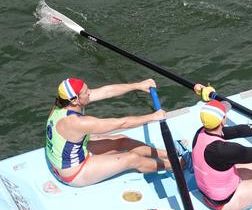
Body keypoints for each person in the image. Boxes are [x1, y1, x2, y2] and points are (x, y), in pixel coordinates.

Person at [45, 77, 173, 187]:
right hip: (74, 173)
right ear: (75, 100)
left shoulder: (61, 105)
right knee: (132, 159)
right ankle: (174, 165)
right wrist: (153, 117)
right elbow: (122, 123)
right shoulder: (77, 122)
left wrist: (138, 85)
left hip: (69, 155)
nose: (90, 92)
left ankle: (169, 153)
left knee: (122, 140)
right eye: (86, 92)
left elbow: (106, 91)